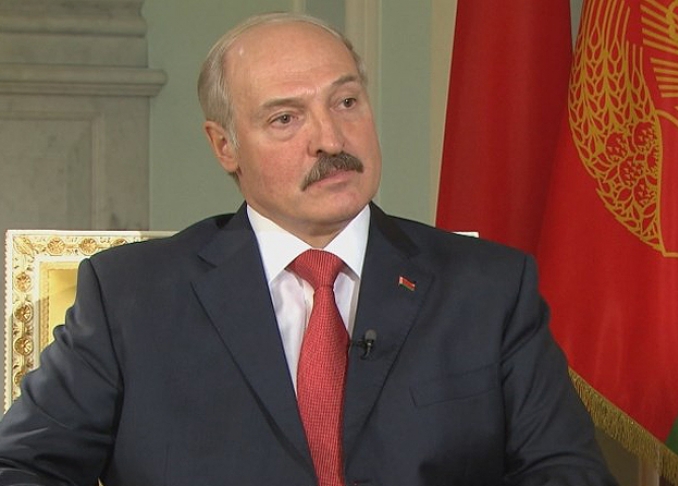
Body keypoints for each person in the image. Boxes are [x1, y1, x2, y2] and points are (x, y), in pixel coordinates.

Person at [0, 12, 617, 486]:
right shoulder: (130, 297)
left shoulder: (488, 289)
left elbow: (566, 472)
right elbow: (23, 468)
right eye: (285, 119)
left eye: (346, 102)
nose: (330, 138)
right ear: (225, 146)